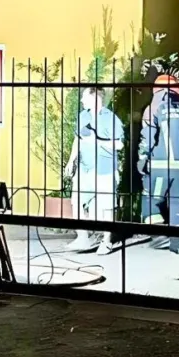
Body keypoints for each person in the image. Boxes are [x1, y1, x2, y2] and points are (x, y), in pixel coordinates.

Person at [137, 73, 179, 253]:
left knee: (150, 200)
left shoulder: (154, 107)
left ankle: (159, 236)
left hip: (160, 166)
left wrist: (142, 158)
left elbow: (147, 137)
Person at [64, 86, 124, 254]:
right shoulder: (82, 116)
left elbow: (119, 144)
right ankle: (82, 237)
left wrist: (97, 141)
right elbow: (78, 139)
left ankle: (106, 241)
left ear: (95, 98)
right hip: (84, 168)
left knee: (107, 206)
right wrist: (71, 160)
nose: (81, 100)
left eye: (84, 97)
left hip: (104, 169)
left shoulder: (111, 118)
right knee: (77, 202)